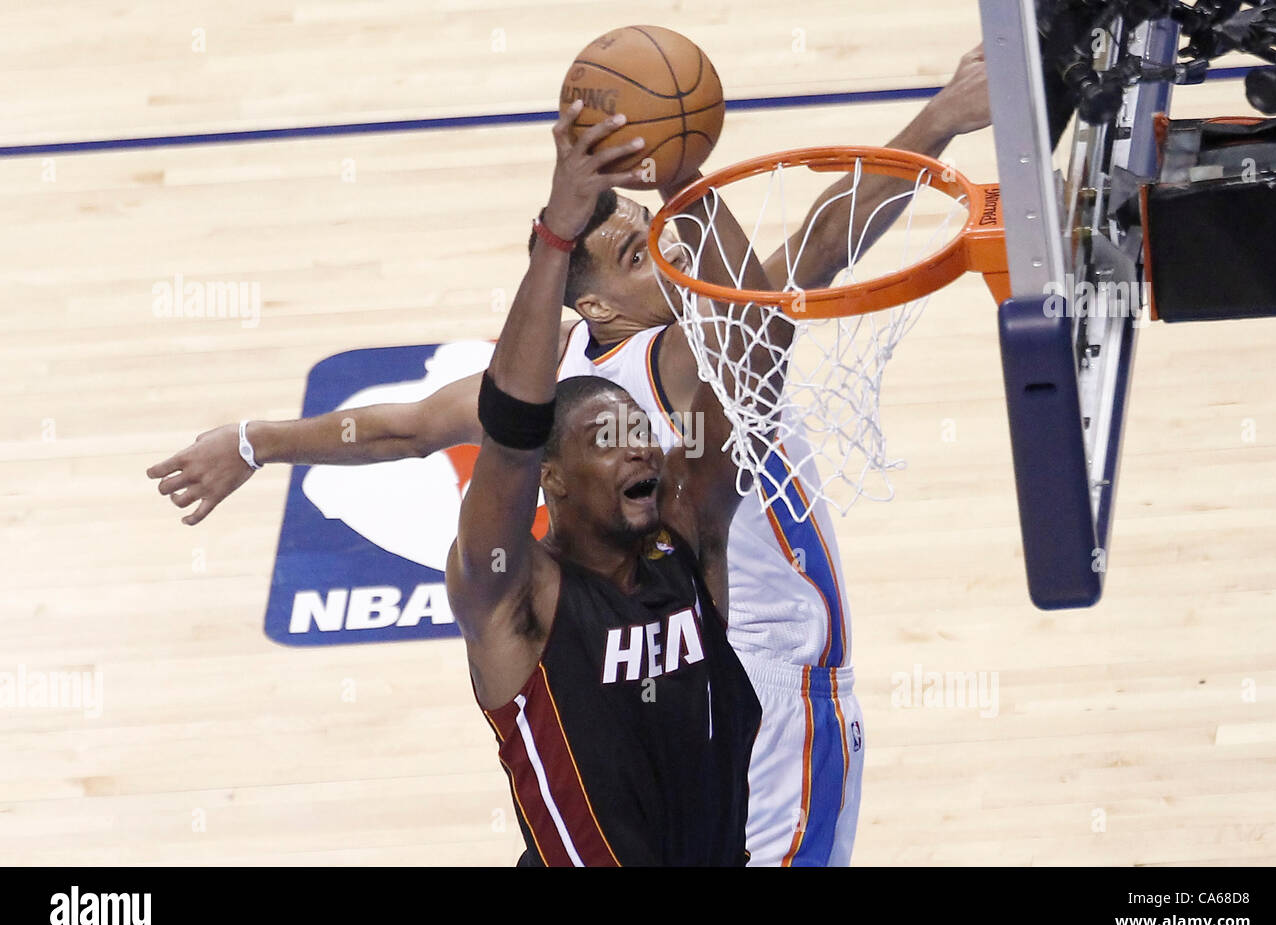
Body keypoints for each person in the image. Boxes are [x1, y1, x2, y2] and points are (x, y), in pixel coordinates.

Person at [147, 46, 992, 865]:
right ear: (591, 301)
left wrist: (944, 116)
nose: (663, 250)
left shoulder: (604, 361)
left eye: (660, 235)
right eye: (636, 252)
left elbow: (811, 253)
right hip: (753, 678)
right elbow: (398, 427)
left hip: (722, 669)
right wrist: (251, 443)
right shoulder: (653, 360)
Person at [451, 103, 788, 864]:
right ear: (555, 481)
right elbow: (506, 437)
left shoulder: (689, 538)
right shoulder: (515, 598)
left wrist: (682, 175)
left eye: (640, 431)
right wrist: (555, 239)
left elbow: (758, 345)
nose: (637, 448)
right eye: (606, 438)